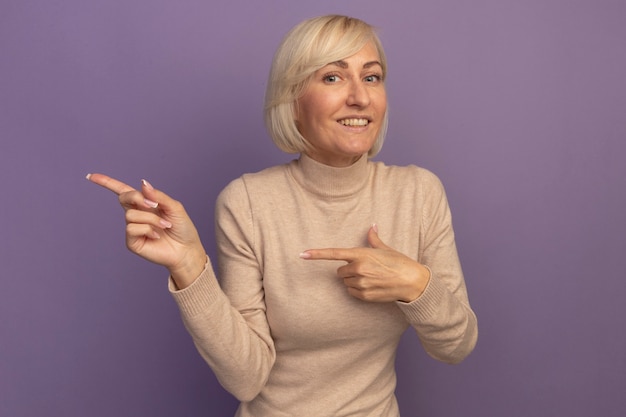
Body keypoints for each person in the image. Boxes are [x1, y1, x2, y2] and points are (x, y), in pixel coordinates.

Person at [87, 14, 477, 417]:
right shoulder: (247, 203)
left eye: (372, 77)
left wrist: (414, 282)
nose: (360, 97)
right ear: (292, 101)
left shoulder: (418, 193)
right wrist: (189, 267)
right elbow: (246, 378)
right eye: (332, 77)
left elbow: (456, 346)